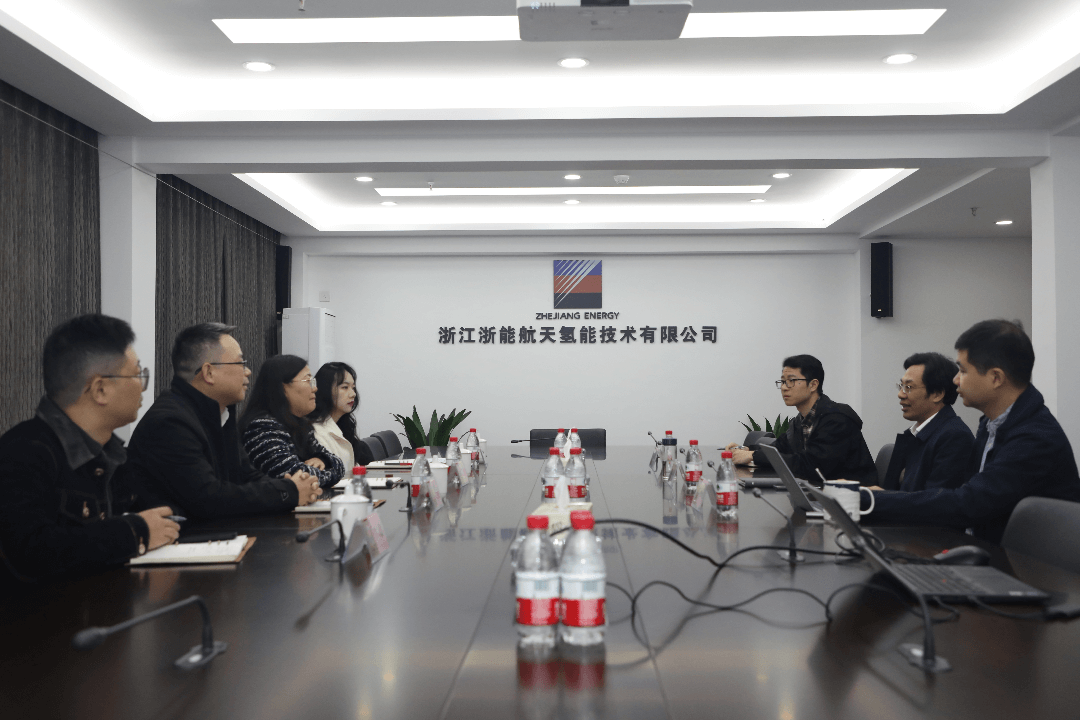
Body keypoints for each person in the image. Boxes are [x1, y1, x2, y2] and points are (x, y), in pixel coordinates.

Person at [0, 314, 178, 583]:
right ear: (100, 389)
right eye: (136, 374)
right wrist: (135, 532)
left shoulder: (113, 453)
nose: (142, 386)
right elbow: (31, 552)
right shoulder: (24, 453)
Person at [869, 320, 1080, 543]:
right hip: (978, 550)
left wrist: (872, 500)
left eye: (963, 370)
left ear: (996, 378)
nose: (955, 380)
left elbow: (968, 503)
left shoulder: (1034, 437)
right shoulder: (991, 424)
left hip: (1017, 562)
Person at [127, 323, 321, 519]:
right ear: (209, 372)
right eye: (240, 363)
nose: (248, 372)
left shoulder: (219, 414)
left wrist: (294, 486)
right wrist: (287, 491)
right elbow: (208, 498)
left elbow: (246, 476)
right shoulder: (171, 422)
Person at [729, 354, 877, 484]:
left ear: (813, 385)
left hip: (854, 500)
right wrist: (747, 450)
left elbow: (811, 466)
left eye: (791, 380)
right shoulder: (800, 421)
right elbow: (778, 447)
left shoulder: (836, 419)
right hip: (818, 492)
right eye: (783, 381)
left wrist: (752, 456)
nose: (784, 387)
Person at [239, 355, 345, 488]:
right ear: (283, 388)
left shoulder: (299, 425)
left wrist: (322, 459)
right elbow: (295, 478)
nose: (314, 388)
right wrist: (328, 471)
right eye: (307, 380)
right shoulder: (263, 427)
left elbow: (339, 465)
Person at [880, 352, 975, 492]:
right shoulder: (914, 434)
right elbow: (891, 492)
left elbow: (934, 501)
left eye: (909, 387)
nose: (900, 394)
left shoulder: (955, 438)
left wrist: (878, 497)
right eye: (901, 386)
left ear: (937, 394)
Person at [308, 361, 376, 471]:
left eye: (353, 387)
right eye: (345, 387)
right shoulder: (315, 432)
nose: (353, 394)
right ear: (325, 389)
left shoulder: (344, 425)